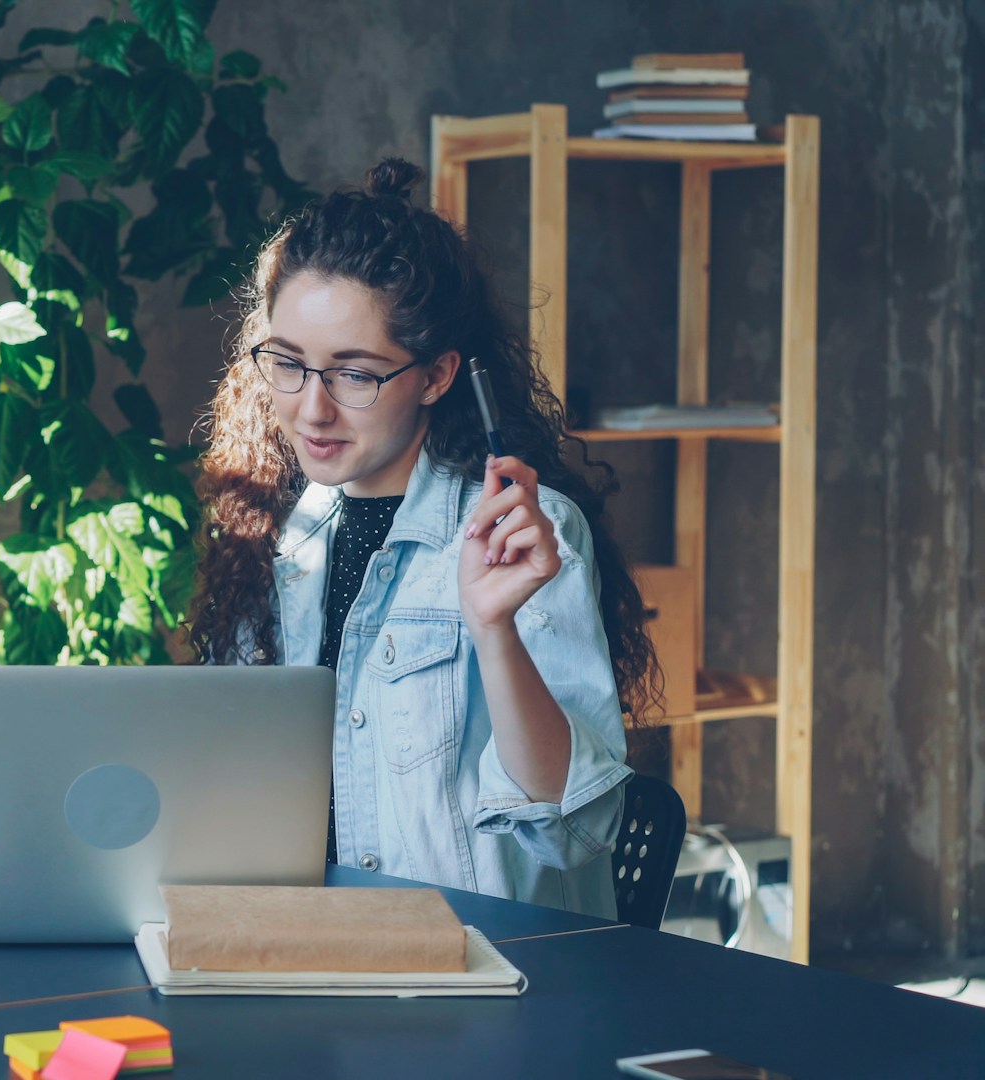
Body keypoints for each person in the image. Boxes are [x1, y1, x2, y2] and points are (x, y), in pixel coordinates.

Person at [189, 160, 659, 917]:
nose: (312, 410)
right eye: (289, 365)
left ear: (437, 376)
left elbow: (574, 831)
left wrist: (493, 628)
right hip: (322, 953)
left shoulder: (520, 533)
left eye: (354, 374)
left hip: (492, 973)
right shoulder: (285, 538)